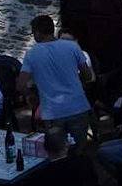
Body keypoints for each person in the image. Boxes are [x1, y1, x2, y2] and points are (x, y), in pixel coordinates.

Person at [18, 15, 95, 148]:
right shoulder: (72, 47)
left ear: (37, 32)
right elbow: (88, 75)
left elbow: (21, 84)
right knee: (80, 151)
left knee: (58, 152)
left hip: (53, 112)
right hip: (78, 107)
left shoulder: (31, 54)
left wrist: (32, 96)